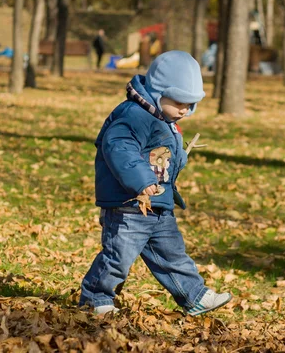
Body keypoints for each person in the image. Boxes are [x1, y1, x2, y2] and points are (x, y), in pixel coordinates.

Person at [79, 50, 232, 316]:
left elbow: (158, 152)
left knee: (173, 255)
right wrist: (141, 179)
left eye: (190, 104)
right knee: (118, 255)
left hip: (158, 204)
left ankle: (193, 295)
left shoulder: (165, 117)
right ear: (158, 93)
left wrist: (177, 158)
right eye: (179, 102)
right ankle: (95, 297)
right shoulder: (134, 115)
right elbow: (119, 147)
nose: (184, 110)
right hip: (129, 203)